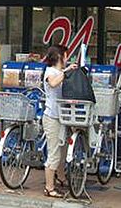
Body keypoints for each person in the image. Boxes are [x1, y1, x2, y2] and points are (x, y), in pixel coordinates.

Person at [42, 45, 78, 198]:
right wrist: (66, 71)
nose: (67, 58)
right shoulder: (50, 71)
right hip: (52, 117)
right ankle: (49, 188)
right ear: (60, 56)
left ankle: (61, 178)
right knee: (54, 154)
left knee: (62, 152)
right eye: (66, 55)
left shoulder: (60, 72)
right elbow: (52, 83)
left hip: (62, 117)